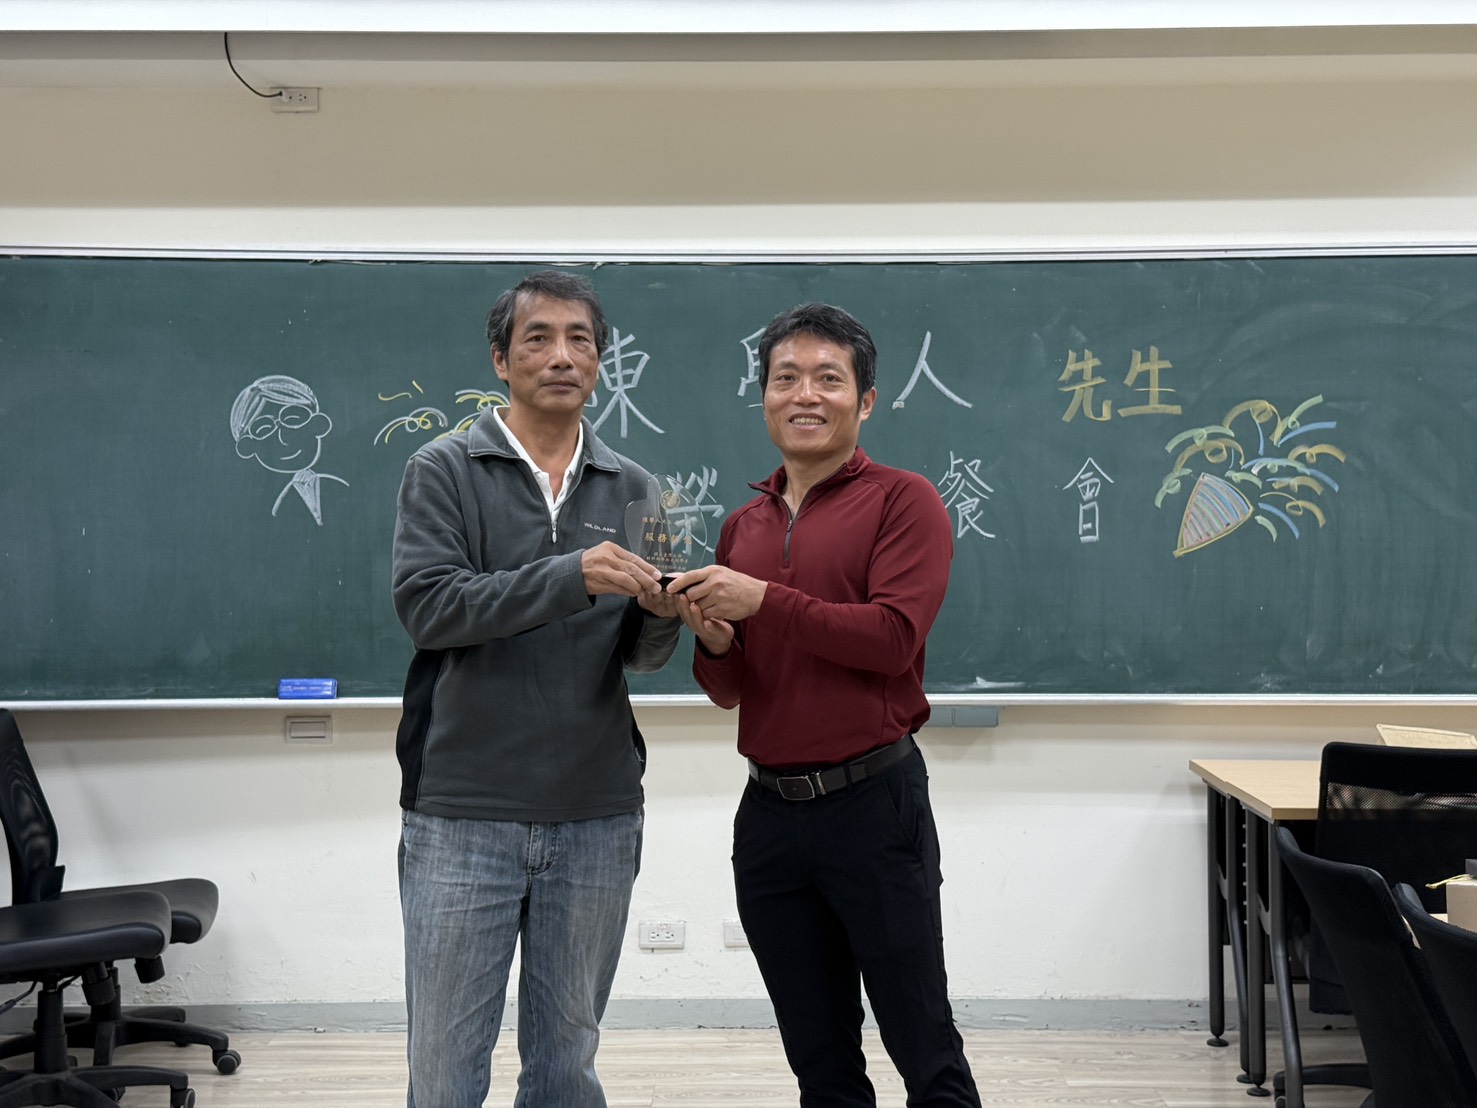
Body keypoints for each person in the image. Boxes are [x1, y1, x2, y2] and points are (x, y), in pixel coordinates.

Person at [668, 303, 981, 1107]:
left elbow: (891, 639)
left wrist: (761, 601)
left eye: (828, 379)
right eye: (785, 378)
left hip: (872, 805)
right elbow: (731, 691)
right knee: (819, 1060)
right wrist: (713, 641)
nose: (804, 394)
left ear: (864, 400)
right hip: (769, 817)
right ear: (764, 397)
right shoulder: (742, 526)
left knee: (924, 1046)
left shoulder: (904, 501)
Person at [391, 269, 681, 1108]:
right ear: (500, 359)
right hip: (462, 811)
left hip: (596, 812)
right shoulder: (443, 469)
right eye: (539, 338)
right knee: (445, 1075)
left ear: (600, 360)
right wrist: (571, 575)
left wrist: (665, 612)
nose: (562, 356)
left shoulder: (638, 488)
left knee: (565, 1067)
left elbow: (643, 658)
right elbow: (430, 608)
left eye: (579, 339)